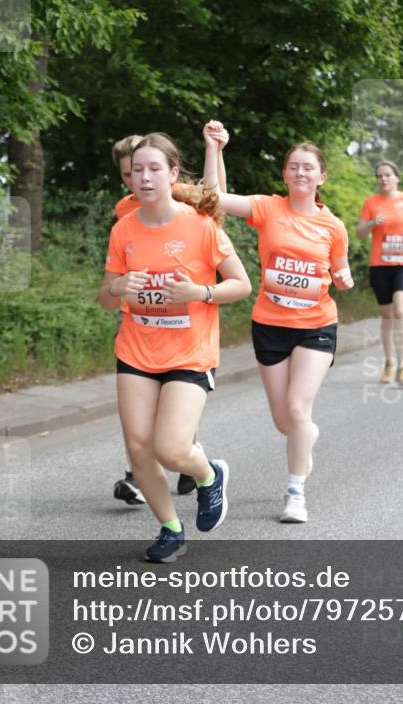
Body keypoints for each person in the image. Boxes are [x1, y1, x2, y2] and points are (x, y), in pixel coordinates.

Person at [98, 133, 251, 562]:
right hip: (136, 351)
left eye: (154, 169)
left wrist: (199, 292)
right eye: (137, 171)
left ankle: (208, 474)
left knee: (171, 448)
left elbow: (241, 284)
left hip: (190, 352)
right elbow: (106, 298)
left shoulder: (200, 225)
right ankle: (169, 527)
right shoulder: (123, 228)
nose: (144, 178)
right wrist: (117, 286)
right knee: (140, 447)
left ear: (172, 175)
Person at [203, 122, 353, 524]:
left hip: (316, 325)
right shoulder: (268, 207)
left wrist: (344, 277)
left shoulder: (333, 227)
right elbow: (213, 199)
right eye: (294, 167)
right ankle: (304, 439)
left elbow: (340, 268)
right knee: (284, 422)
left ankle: (295, 494)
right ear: (285, 174)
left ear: (322, 177)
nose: (301, 173)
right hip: (270, 324)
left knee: (298, 409)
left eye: (308, 168)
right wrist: (215, 148)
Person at [107, 132, 229, 505]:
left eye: (142, 170)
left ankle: (190, 457)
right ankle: (140, 472)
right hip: (140, 322)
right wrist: (122, 289)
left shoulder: (180, 200)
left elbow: (214, 197)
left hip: (187, 335)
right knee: (141, 427)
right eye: (128, 174)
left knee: (170, 428)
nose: (137, 180)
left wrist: (213, 150)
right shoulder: (123, 212)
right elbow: (117, 273)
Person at [356, 161, 403, 387]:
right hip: (380, 265)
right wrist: (373, 222)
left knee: (400, 312)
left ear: (397, 177)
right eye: (379, 176)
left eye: (387, 175)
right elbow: (359, 233)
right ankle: (389, 363)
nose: (383, 179)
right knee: (387, 316)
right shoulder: (371, 203)